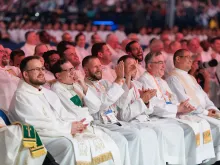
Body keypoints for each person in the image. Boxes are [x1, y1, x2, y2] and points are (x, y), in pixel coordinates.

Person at [8, 56, 119, 165]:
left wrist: (75, 124)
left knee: (94, 141)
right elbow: (37, 125)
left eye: (42, 68)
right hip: (41, 138)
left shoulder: (45, 92)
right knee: (70, 146)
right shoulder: (21, 96)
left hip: (58, 131)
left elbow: (63, 114)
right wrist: (69, 127)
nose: (42, 72)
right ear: (25, 74)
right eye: (36, 69)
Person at [138, 51, 216, 164]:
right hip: (156, 118)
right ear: (149, 65)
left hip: (169, 115)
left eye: (164, 62)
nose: (163, 66)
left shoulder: (162, 81)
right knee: (189, 128)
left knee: (199, 124)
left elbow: (173, 99)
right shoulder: (144, 80)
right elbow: (154, 106)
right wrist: (177, 109)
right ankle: (183, 160)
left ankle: (199, 159)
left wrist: (180, 106)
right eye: (160, 62)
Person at [83, 55, 161, 165]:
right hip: (100, 123)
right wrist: (120, 78)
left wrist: (128, 76)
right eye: (95, 67)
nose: (99, 69)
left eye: (100, 66)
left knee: (146, 133)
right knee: (134, 135)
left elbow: (119, 104)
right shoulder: (85, 87)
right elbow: (102, 103)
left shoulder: (104, 83)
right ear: (85, 70)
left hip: (114, 121)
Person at [50, 59, 131, 165]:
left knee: (120, 141)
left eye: (73, 69)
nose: (72, 73)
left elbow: (95, 106)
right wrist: (88, 111)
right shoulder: (57, 89)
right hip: (79, 128)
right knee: (112, 144)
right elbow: (76, 112)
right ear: (58, 75)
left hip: (89, 125)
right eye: (68, 70)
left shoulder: (75, 85)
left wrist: (83, 84)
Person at [117, 55, 186, 165]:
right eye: (131, 66)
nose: (134, 69)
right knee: (156, 133)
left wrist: (147, 101)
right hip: (131, 123)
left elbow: (149, 110)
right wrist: (142, 101)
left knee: (176, 129)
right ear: (121, 68)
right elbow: (123, 116)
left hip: (145, 120)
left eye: (135, 66)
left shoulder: (138, 84)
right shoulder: (118, 86)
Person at [166, 49, 220, 164]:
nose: (191, 60)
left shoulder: (191, 77)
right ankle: (210, 160)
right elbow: (184, 101)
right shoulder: (173, 78)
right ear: (178, 59)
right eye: (187, 57)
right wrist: (206, 112)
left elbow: (204, 97)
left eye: (191, 57)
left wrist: (212, 108)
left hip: (203, 112)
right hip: (190, 114)